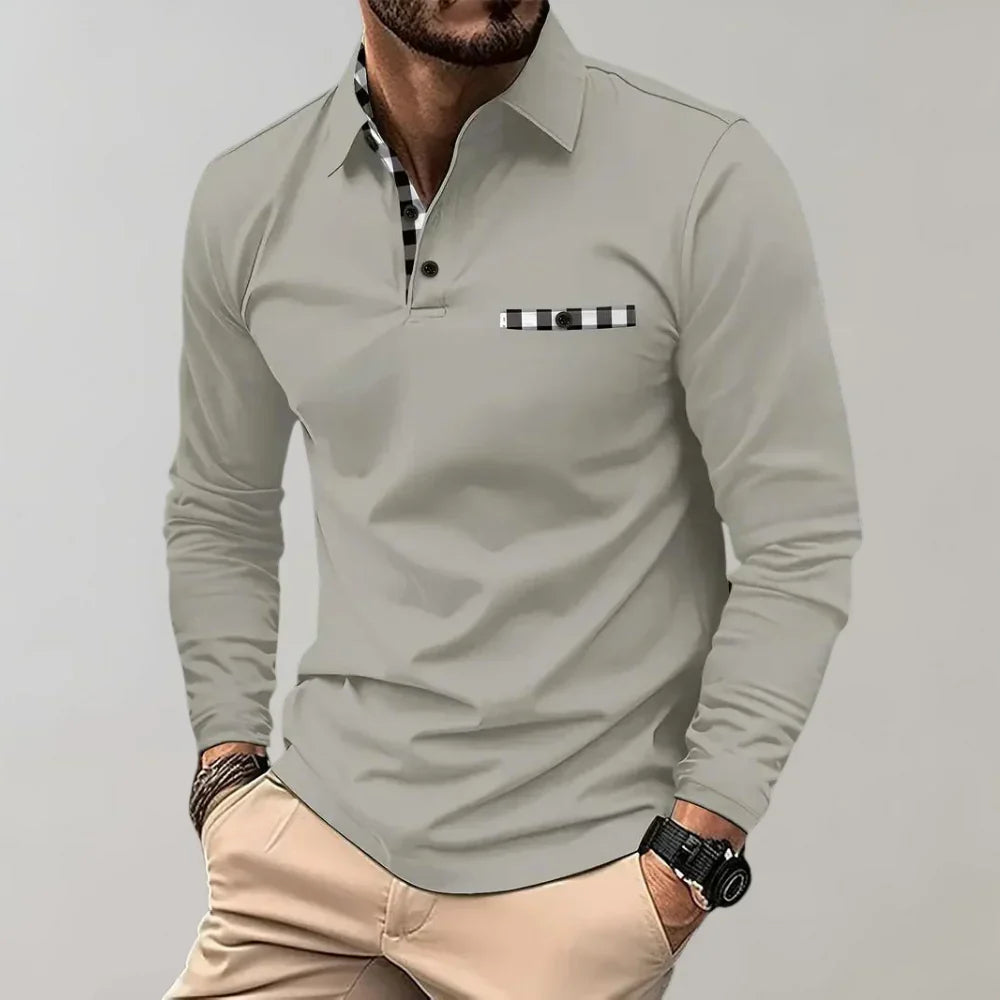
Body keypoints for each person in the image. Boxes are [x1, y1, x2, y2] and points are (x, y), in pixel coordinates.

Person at [160, 1, 862, 996]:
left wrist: (693, 854)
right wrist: (226, 774)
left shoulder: (702, 175)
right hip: (314, 848)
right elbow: (220, 508)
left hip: (570, 890)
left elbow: (800, 535)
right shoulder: (252, 198)